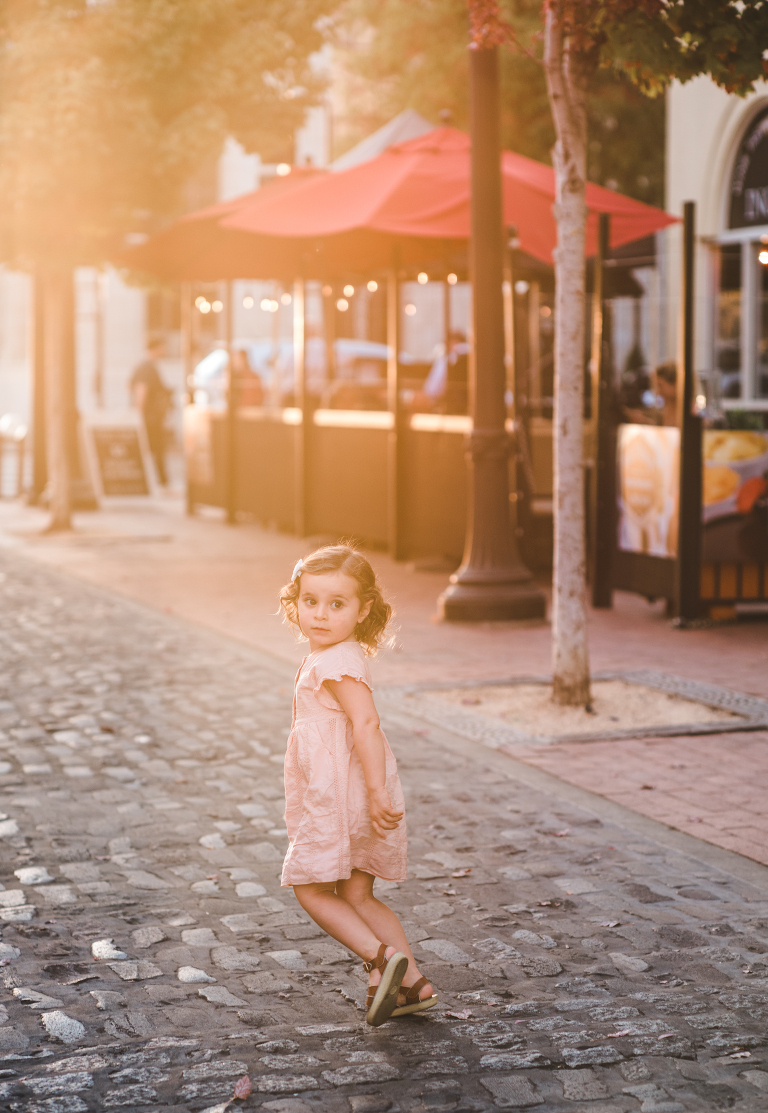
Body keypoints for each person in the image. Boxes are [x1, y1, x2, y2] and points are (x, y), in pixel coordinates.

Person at [278, 545, 437, 1027]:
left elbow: (367, 725)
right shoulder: (335, 654)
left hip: (342, 795)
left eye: (337, 604)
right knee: (357, 895)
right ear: (295, 601)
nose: (320, 615)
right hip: (351, 787)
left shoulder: (335, 664)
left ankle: (381, 958)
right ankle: (411, 986)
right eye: (310, 601)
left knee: (308, 887)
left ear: (363, 608)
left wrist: (375, 793)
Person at [130, 336, 172, 485]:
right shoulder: (147, 367)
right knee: (154, 449)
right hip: (150, 418)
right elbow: (141, 391)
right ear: (157, 347)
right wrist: (138, 415)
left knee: (154, 449)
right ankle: (159, 481)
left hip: (150, 417)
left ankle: (158, 481)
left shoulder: (147, 366)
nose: (165, 351)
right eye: (163, 347)